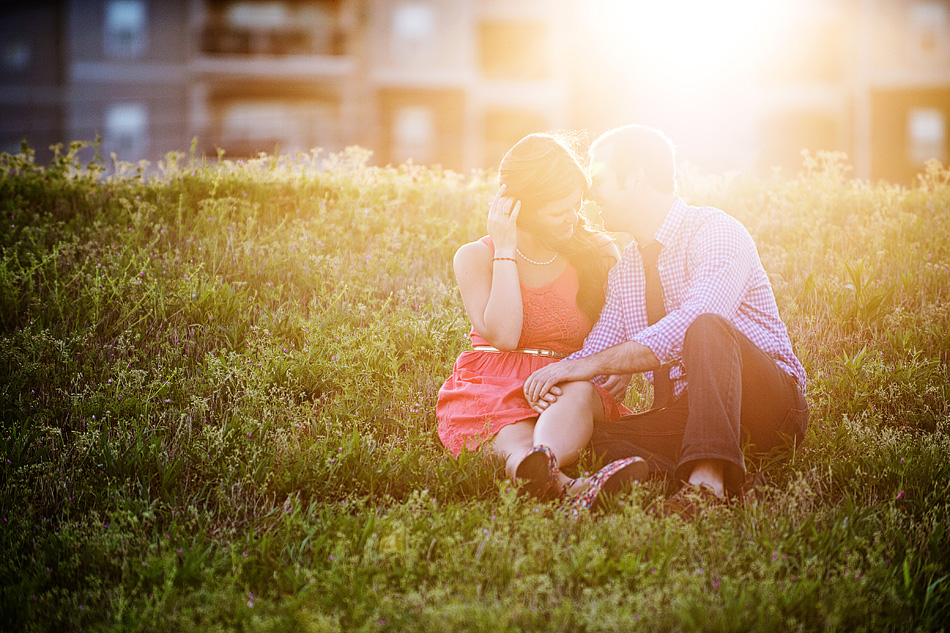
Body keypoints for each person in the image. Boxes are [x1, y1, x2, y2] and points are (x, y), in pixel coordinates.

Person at [523, 124, 808, 518]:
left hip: (766, 404)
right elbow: (598, 349)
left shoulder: (715, 231)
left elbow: (689, 324)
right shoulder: (627, 271)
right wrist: (558, 380)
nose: (590, 194)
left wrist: (588, 364)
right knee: (593, 439)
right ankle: (692, 478)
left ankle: (705, 487)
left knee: (704, 327)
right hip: (690, 416)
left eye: (600, 180)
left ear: (635, 178)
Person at [437, 132, 647, 508]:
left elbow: (626, 322)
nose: (573, 219)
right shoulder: (475, 257)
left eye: (576, 206)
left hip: (572, 380)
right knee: (509, 431)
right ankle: (562, 484)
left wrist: (623, 370)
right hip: (495, 379)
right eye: (557, 212)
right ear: (519, 208)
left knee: (578, 393)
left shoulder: (598, 251)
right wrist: (505, 248)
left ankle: (544, 462)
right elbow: (503, 334)